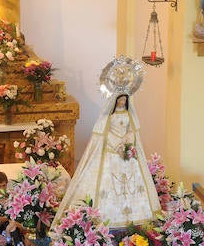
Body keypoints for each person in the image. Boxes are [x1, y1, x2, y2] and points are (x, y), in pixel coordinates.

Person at [51, 90, 161, 229]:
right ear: (115, 101)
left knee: (132, 183)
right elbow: (105, 132)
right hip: (112, 151)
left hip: (126, 152)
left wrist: (127, 141)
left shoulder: (129, 115)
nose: (122, 102)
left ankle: (136, 219)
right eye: (120, 100)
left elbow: (132, 131)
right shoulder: (110, 115)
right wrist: (117, 144)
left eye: (124, 100)